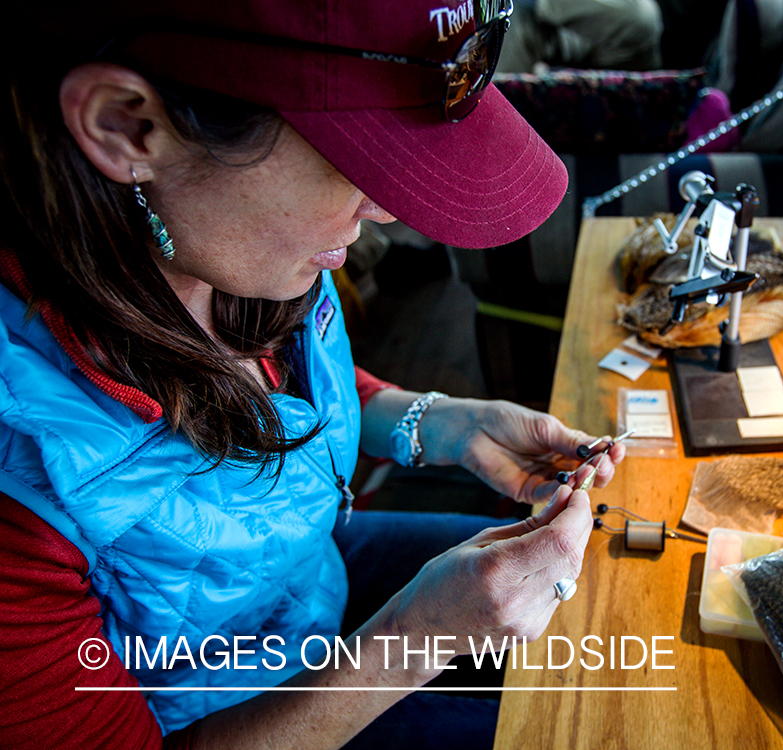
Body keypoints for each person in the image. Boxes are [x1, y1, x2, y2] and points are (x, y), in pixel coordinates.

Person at [0, 1, 626, 748]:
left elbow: (271, 395)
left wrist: (432, 421)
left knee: (607, 598)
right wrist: (415, 639)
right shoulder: (21, 478)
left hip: (306, 577)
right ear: (126, 126)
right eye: (358, 159)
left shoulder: (230, 242)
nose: (393, 207)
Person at [496, 0, 665, 74]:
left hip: (631, 38)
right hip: (550, 27)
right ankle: (497, 128)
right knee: (511, 21)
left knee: (641, 17)